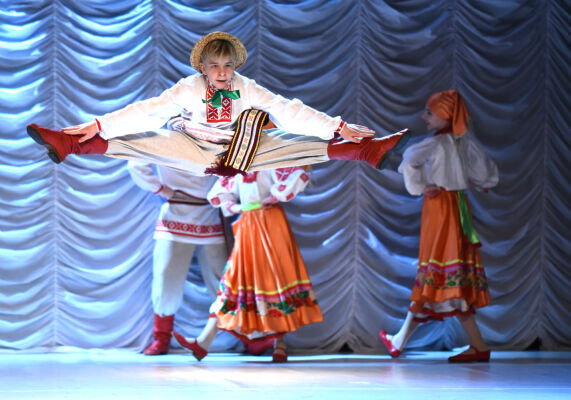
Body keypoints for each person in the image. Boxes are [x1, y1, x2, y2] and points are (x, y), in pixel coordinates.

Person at [26, 31, 409, 177]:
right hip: (193, 145)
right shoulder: (189, 87)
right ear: (203, 68)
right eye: (215, 66)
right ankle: (69, 143)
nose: (222, 73)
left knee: (291, 142)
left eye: (228, 66)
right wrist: (100, 123)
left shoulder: (247, 87)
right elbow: (149, 109)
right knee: (143, 140)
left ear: (235, 66)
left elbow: (287, 109)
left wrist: (339, 127)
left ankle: (366, 151)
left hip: (243, 147)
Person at [379, 89, 499, 362]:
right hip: (458, 206)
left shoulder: (437, 143)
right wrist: (475, 182)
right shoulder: (463, 142)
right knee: (444, 272)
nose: (425, 117)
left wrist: (420, 187)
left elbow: (409, 160)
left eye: (430, 113)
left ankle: (475, 346)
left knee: (438, 269)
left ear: (446, 115)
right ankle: (401, 341)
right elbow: (486, 172)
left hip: (441, 208)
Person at [173, 166, 322, 363]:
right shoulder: (238, 165)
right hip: (248, 225)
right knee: (234, 280)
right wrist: (237, 207)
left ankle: (280, 345)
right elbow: (221, 192)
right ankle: (203, 342)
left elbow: (297, 176)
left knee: (275, 279)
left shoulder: (270, 160)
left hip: (270, 223)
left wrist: (273, 197)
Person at [127, 161, 229, 355]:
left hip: (210, 212)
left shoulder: (219, 142)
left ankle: (247, 335)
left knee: (224, 280)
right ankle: (161, 337)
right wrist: (159, 188)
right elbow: (136, 163)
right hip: (176, 213)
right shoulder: (165, 143)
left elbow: (233, 170)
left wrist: (222, 192)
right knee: (166, 279)